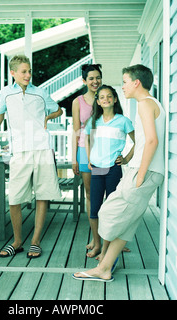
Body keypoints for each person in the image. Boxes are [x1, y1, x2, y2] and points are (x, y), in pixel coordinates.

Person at [73, 64, 165, 282]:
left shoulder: (144, 104)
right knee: (127, 223)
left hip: (143, 171)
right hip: (145, 170)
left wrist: (140, 174)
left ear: (136, 83)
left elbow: (152, 140)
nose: (122, 86)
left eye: (124, 82)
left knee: (107, 213)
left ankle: (103, 257)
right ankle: (104, 267)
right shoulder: (152, 103)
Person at [0, 55, 62, 259]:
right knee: (15, 197)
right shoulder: (6, 94)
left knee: (43, 195)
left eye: (29, 71)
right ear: (13, 73)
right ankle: (17, 241)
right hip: (19, 150)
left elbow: (58, 110)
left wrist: (48, 117)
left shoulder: (41, 93)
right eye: (23, 71)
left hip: (42, 148)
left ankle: (35, 241)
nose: (28, 75)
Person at [84, 85, 135, 259]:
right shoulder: (94, 121)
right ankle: (97, 245)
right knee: (95, 208)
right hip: (98, 168)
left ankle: (109, 247)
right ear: (98, 101)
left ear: (114, 99)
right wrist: (90, 159)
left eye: (109, 96)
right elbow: (88, 140)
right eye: (102, 97)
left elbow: (139, 141)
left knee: (112, 209)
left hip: (113, 169)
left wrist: (127, 158)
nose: (105, 99)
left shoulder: (123, 121)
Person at [72, 64, 102, 251]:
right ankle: (95, 237)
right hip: (84, 149)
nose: (95, 81)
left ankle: (110, 237)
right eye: (91, 78)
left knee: (109, 194)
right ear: (84, 81)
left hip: (104, 149)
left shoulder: (107, 98)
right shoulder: (78, 101)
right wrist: (74, 157)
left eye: (98, 77)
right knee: (90, 194)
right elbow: (75, 129)